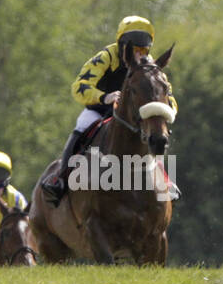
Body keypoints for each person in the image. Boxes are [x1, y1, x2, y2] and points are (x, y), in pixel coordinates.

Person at [40, 15, 178, 204]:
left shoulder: (151, 67)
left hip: (132, 115)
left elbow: (169, 97)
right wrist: (104, 97)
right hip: (100, 110)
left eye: (143, 49)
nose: (139, 54)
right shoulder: (106, 57)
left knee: (152, 133)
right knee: (82, 125)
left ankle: (165, 182)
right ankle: (61, 178)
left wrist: (163, 112)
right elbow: (79, 86)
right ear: (122, 45)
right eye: (134, 48)